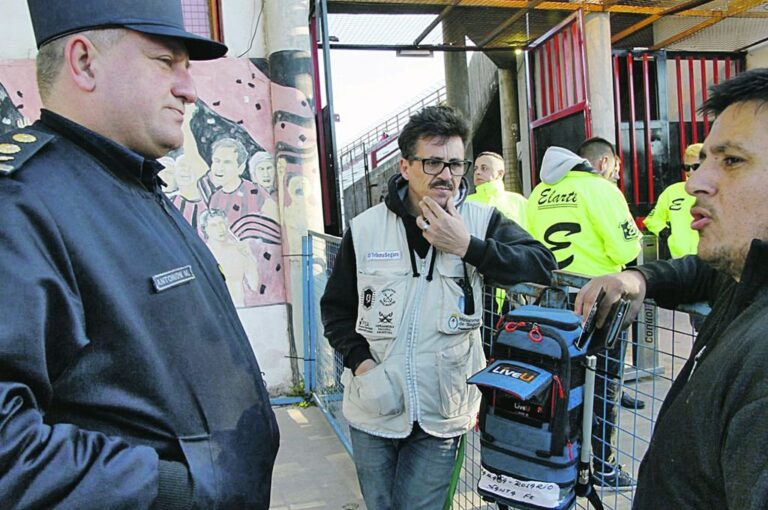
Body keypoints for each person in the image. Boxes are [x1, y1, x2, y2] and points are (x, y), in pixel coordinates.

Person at [0, 2, 279, 508]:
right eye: (164, 61)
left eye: (187, 67)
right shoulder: (20, 204)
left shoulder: (135, 184)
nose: (189, 88)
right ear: (85, 62)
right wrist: (182, 490)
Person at [320, 105, 556, 510]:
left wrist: (468, 247)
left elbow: (542, 265)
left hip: (443, 411)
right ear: (406, 166)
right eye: (432, 162)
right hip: (373, 403)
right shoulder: (365, 228)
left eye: (454, 163)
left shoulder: (480, 222)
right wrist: (361, 363)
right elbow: (336, 309)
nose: (446, 174)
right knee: (380, 505)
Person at [575, 68, 768, 509]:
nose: (694, 182)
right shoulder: (744, 271)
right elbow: (699, 271)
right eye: (700, 163)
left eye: (732, 160)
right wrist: (638, 277)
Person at [527, 137, 641, 491]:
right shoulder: (601, 190)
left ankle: (555, 460)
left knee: (555, 384)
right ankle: (600, 466)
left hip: (549, 304)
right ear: (604, 162)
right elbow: (626, 246)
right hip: (598, 306)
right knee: (603, 386)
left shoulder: (538, 193)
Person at [644, 143, 703, 259]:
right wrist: (664, 232)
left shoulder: (720, 192)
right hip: (679, 259)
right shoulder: (671, 192)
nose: (690, 171)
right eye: (686, 167)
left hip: (712, 261)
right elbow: (652, 220)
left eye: (696, 166)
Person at [201, 208, 260, 307]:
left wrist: (248, 256)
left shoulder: (238, 249)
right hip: (217, 310)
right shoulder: (203, 253)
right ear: (204, 229)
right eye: (214, 225)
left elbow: (254, 285)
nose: (221, 229)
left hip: (241, 309)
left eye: (222, 223)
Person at [467, 151, 528, 229]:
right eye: (475, 168)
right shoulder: (466, 203)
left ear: (500, 174)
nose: (477, 172)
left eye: (484, 168)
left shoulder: (518, 202)